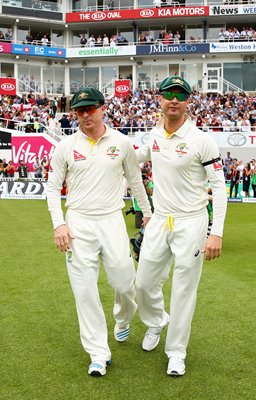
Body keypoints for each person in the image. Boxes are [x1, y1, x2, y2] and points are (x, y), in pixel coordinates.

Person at [46, 87, 152, 377]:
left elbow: (135, 181)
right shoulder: (65, 146)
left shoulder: (121, 142)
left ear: (103, 108)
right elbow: (53, 188)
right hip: (78, 222)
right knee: (85, 292)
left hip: (111, 220)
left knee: (124, 283)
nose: (85, 115)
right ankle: (97, 353)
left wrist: (148, 213)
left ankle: (122, 318)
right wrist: (59, 223)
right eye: (80, 111)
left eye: (90, 109)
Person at [135, 75, 227, 377]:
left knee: (184, 290)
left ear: (189, 101)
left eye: (181, 94)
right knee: (144, 283)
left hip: (192, 221)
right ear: (159, 98)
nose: (174, 99)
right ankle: (157, 322)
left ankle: (176, 352)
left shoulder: (202, 140)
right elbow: (136, 156)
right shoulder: (154, 134)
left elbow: (220, 187)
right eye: (169, 93)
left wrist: (216, 233)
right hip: (161, 220)